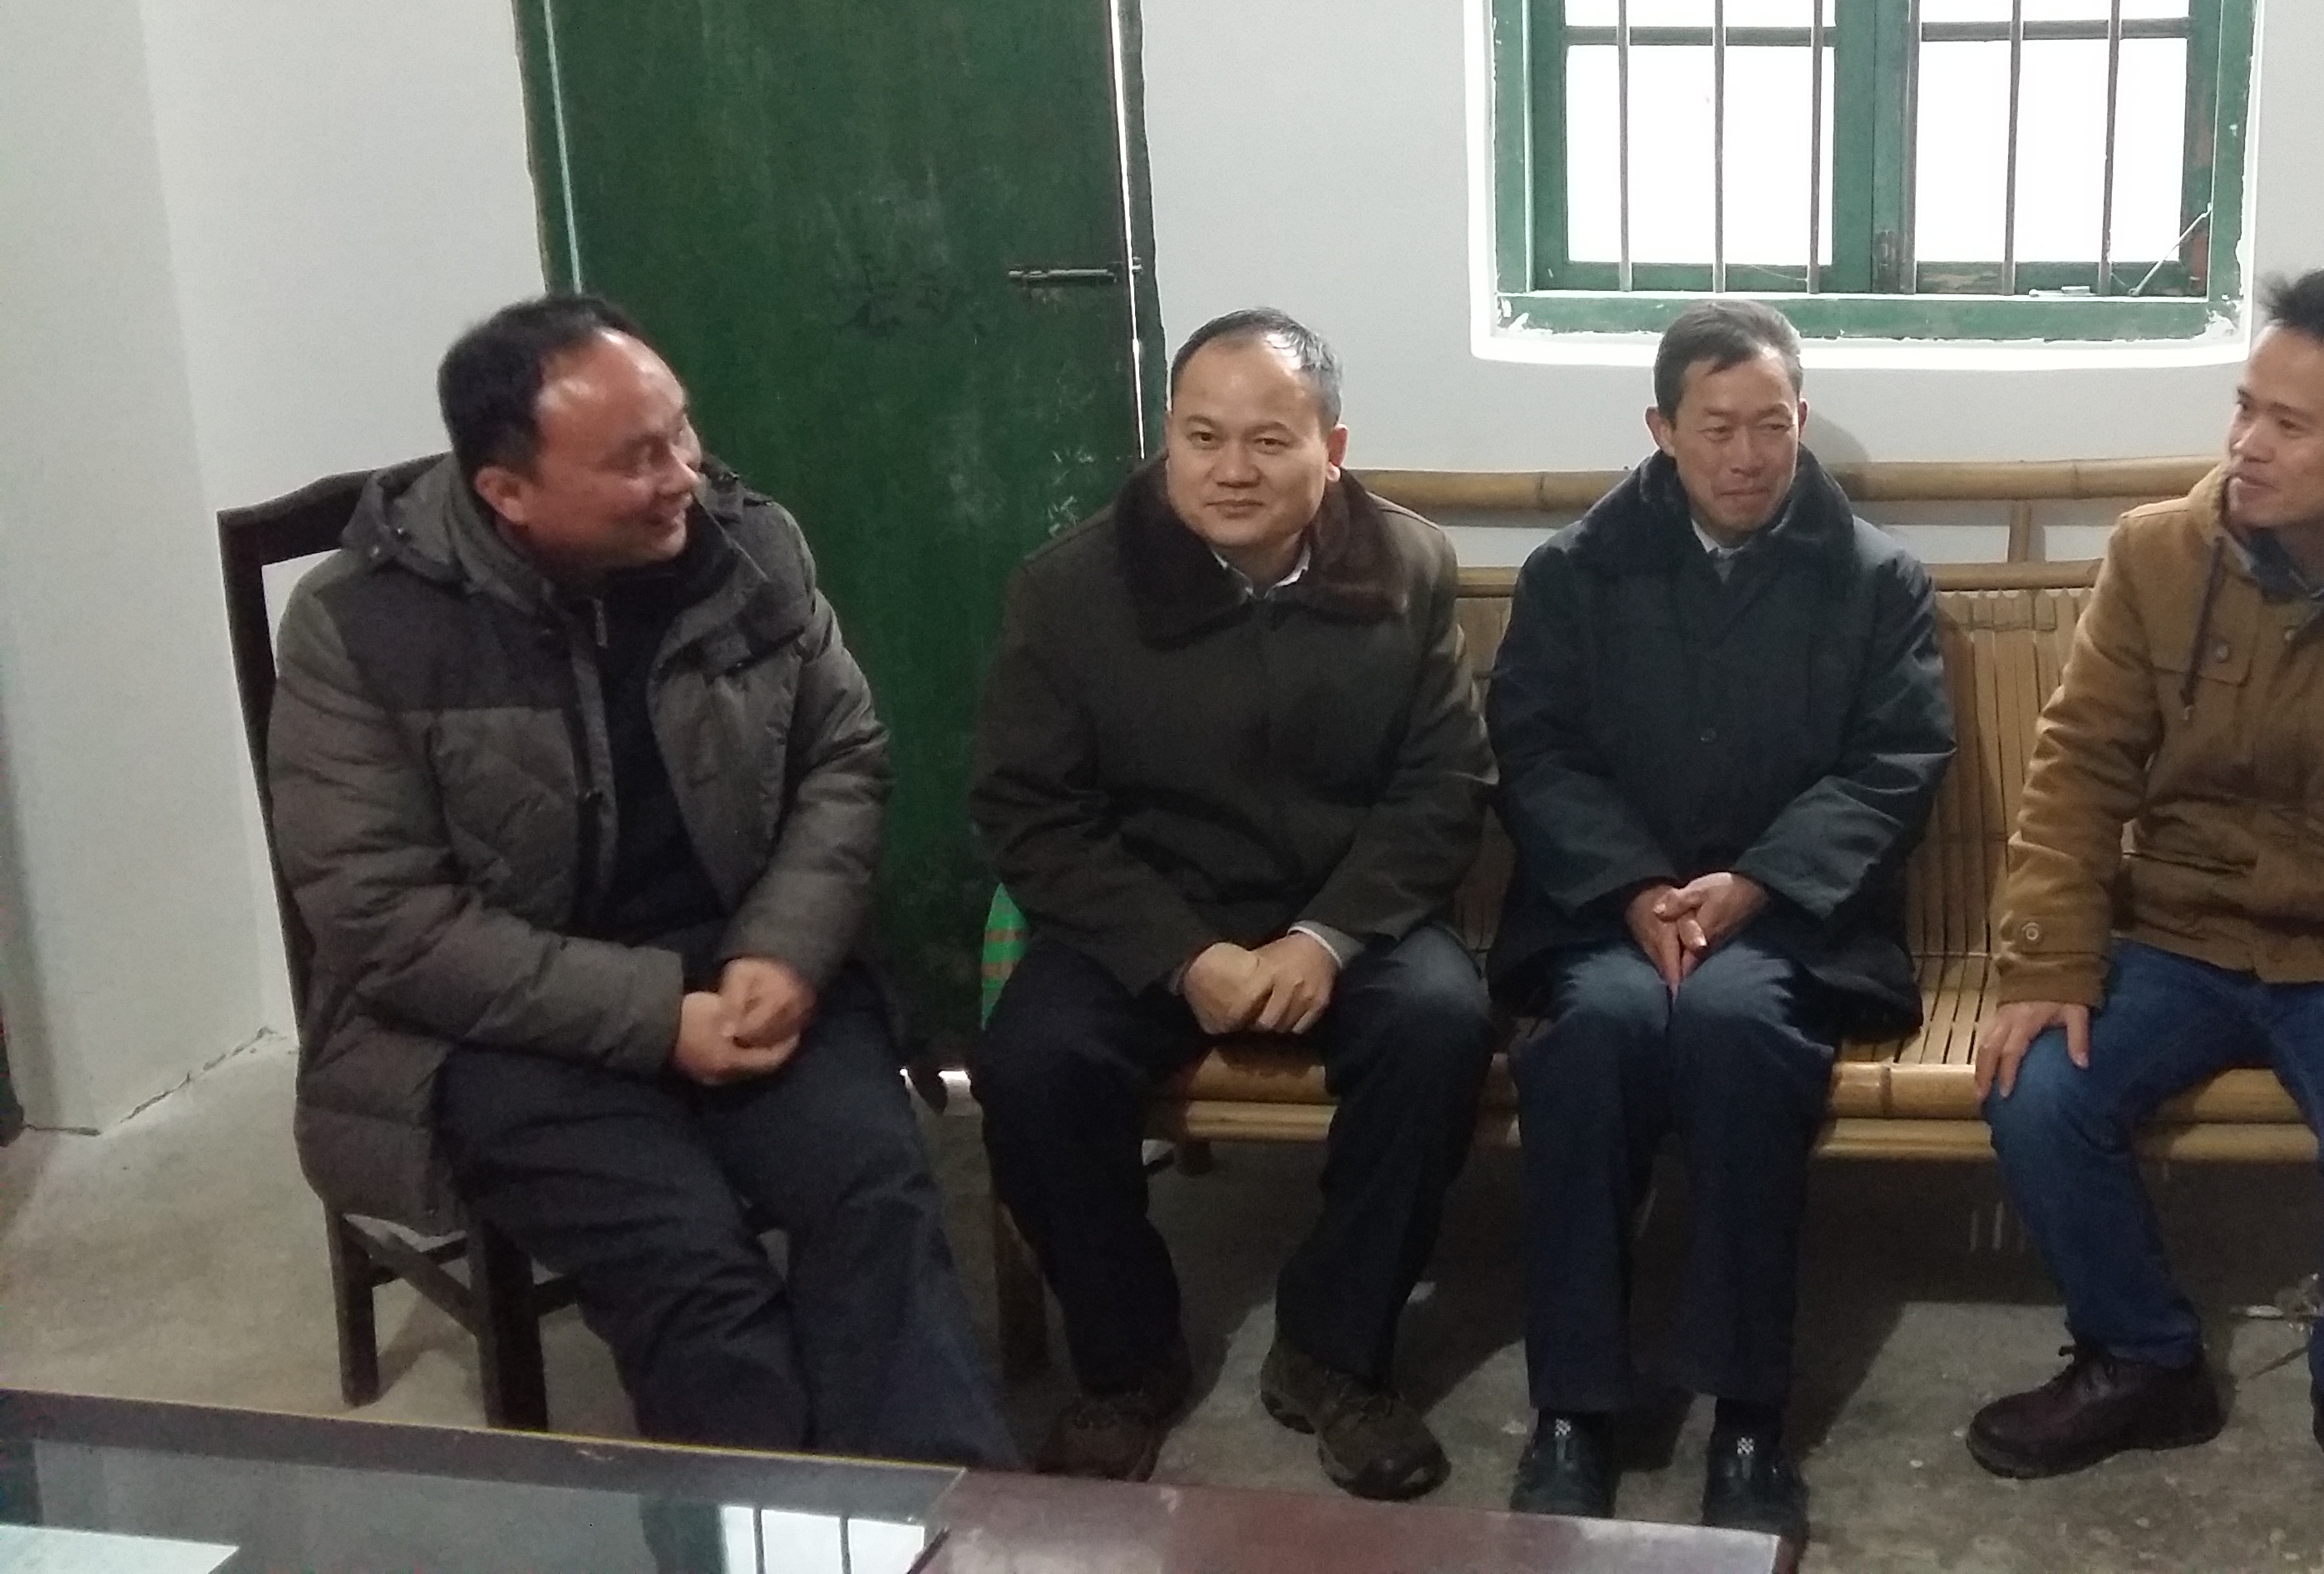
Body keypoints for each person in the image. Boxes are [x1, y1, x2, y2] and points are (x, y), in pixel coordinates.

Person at [271, 294, 1013, 1466]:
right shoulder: (361, 624)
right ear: (507, 492)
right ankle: (756, 1533)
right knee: (691, 1269)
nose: (685, 475)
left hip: (748, 960)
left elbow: (842, 755)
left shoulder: (748, 546)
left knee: (875, 1198)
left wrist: (784, 947)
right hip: (505, 1024)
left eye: (682, 431)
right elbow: (385, 919)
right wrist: (660, 1018)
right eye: (638, 458)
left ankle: (941, 1514)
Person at [1966, 264, 2324, 1566]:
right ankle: (2144, 1358)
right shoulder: (2158, 556)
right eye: (2246, 406)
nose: (2246, 443)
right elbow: (2076, 773)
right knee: (2035, 1085)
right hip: (2176, 931)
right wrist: (2049, 959)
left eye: (2290, 423)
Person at [969, 308, 1495, 1498]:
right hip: (1144, 915)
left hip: (1344, 913)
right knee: (1031, 1063)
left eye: (1269, 440)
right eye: (1202, 436)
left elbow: (1444, 783)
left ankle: (1333, 1352)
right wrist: (1181, 951)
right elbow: (1030, 810)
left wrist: (1328, 937)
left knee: (1440, 1027)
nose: (1231, 469)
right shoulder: (1070, 590)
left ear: (1332, 449)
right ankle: (1127, 1360)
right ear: (1167, 437)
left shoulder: (1408, 567)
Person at [1485, 299, 1955, 1542]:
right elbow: (1534, 748)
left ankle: (1750, 1416)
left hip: (1790, 919)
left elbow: (1896, 762)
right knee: (1593, 1037)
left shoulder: (1875, 579)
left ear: (1801, 420)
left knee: (1739, 1034)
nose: (1748, 456)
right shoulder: (1576, 571)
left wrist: (1754, 884)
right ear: (1662, 429)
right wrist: (1634, 886)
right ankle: (1575, 1408)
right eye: (1717, 428)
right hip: (1609, 915)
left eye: (1772, 425)